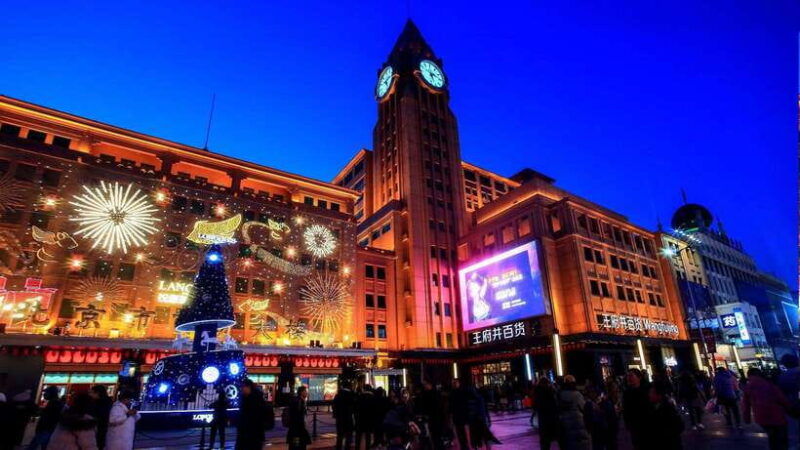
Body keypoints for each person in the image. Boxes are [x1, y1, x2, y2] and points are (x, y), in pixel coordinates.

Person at [742, 367, 790, 450]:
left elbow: (746, 405)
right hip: (776, 414)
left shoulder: (748, 387)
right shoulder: (768, 383)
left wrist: (747, 418)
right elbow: (781, 398)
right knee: (781, 438)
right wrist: (789, 408)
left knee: (772, 437)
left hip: (761, 416)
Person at [641, 381, 684, 450]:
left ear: (659, 395)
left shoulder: (668, 409)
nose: (649, 395)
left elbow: (679, 426)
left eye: (652, 393)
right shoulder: (652, 407)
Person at [556, 375, 591, 450]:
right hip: (578, 423)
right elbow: (584, 407)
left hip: (565, 424)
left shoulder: (560, 395)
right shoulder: (577, 394)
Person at [622, 369, 651, 450]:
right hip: (634, 425)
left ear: (639, 377)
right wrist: (627, 422)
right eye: (628, 376)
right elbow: (626, 409)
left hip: (647, 423)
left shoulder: (647, 389)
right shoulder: (627, 392)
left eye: (631, 376)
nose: (628, 378)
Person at [236, 378, 268, 450]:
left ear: (248, 387)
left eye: (243, 387)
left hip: (254, 434)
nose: (242, 389)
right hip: (245, 433)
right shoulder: (244, 397)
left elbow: (259, 418)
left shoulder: (257, 399)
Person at [532, 378, 559, 450]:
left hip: (542, 419)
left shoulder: (537, 392)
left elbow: (534, 405)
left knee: (544, 440)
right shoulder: (550, 391)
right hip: (551, 418)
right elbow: (555, 404)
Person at [333, 381, 356, 450]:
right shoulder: (351, 395)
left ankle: (338, 448)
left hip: (339, 419)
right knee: (348, 437)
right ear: (349, 386)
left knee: (340, 436)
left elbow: (334, 406)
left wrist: (336, 415)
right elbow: (354, 407)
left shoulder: (338, 395)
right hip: (348, 418)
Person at [287, 385, 311, 450]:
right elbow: (298, 414)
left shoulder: (298, 400)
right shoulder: (300, 401)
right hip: (298, 428)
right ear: (301, 392)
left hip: (295, 428)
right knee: (298, 444)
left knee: (295, 444)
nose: (307, 393)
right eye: (305, 391)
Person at [89, 385, 113, 450]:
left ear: (97, 393)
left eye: (92, 392)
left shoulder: (98, 404)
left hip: (98, 429)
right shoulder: (108, 403)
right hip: (103, 430)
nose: (90, 394)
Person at [449, 380, 471, 450]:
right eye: (454, 383)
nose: (455, 384)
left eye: (456, 383)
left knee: (461, 432)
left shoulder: (455, 393)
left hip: (460, 415)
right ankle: (464, 445)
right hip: (459, 415)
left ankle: (464, 445)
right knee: (461, 431)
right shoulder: (457, 393)